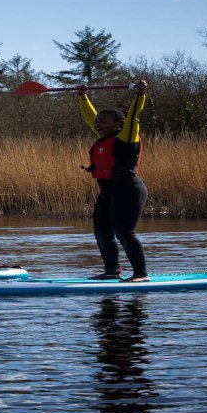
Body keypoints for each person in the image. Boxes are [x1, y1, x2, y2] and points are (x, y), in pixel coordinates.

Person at [76, 80, 150, 282]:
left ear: (119, 123)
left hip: (129, 190)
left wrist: (140, 95)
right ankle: (111, 271)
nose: (99, 124)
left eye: (104, 122)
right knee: (102, 231)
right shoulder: (103, 136)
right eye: (98, 122)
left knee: (124, 231)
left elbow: (134, 115)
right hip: (108, 192)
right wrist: (82, 97)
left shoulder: (127, 136)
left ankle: (141, 274)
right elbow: (90, 116)